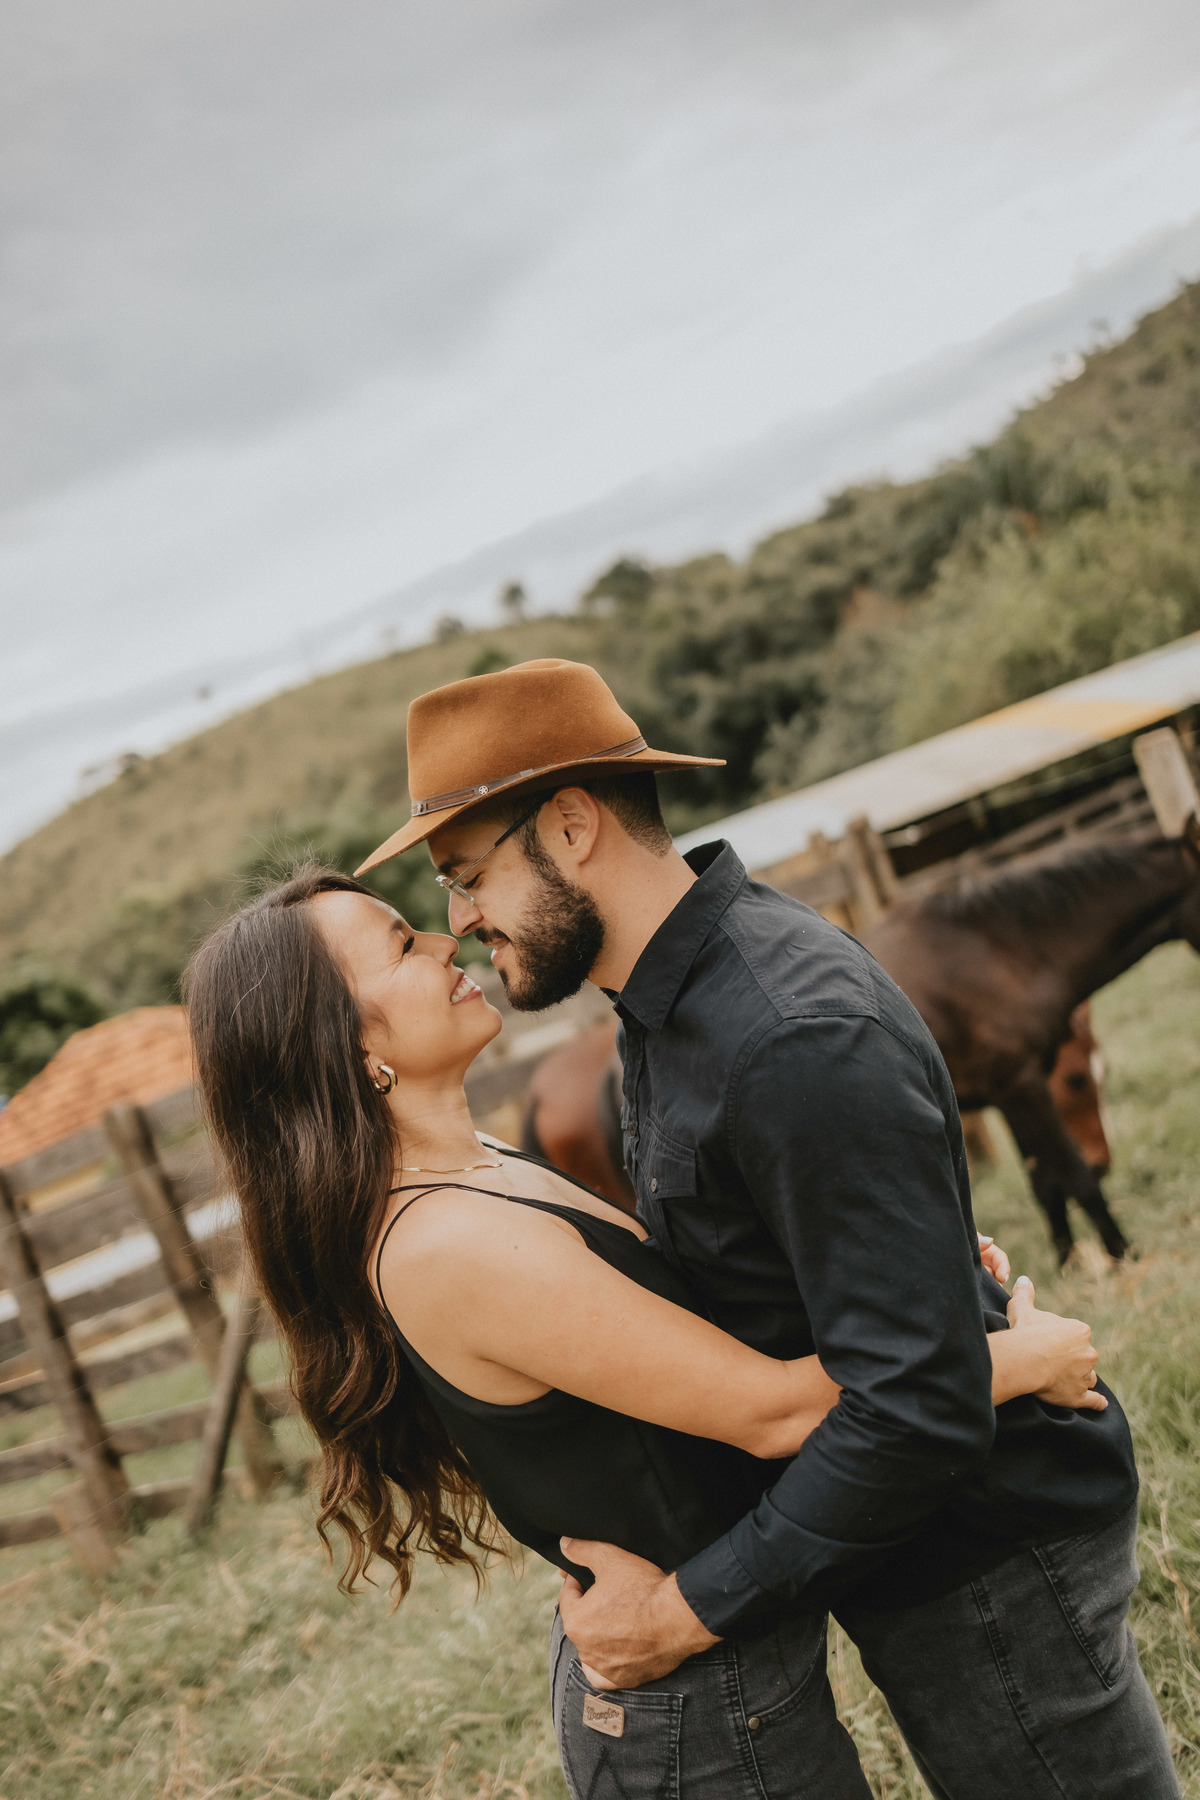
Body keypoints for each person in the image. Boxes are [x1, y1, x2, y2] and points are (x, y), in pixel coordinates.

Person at [353, 656, 1179, 1800]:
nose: (460, 920)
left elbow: (917, 1410)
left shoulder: (787, 1034)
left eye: (467, 876)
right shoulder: (665, 1004)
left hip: (986, 1551)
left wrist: (682, 1614)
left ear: (574, 827)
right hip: (910, 1547)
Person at [188, 864, 1103, 1800]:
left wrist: (884, 1268)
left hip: (722, 1666)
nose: (444, 939)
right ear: (345, 1045)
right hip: (689, 1713)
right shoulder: (447, 1244)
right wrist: (1014, 1359)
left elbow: (679, 1318)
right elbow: (773, 1414)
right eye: (400, 946)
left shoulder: (478, 1165)